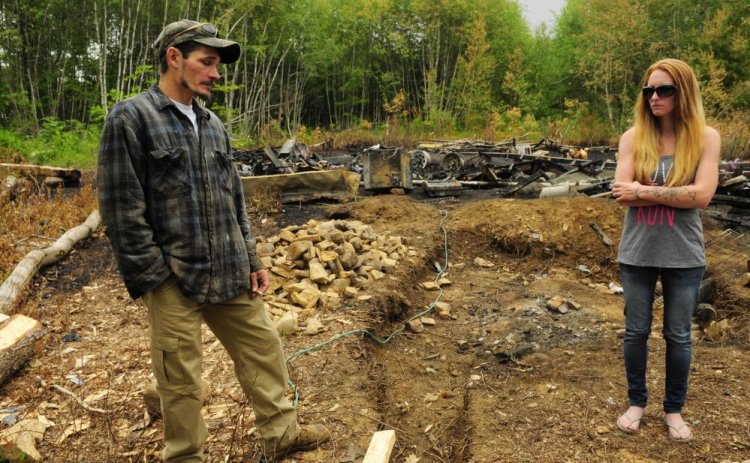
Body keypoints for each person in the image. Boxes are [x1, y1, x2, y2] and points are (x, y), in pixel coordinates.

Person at [97, 19, 331, 462]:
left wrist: (251, 258)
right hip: (174, 277)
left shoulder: (213, 125)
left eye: (217, 64)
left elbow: (233, 199)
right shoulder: (132, 118)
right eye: (207, 62)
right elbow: (120, 209)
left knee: (264, 348)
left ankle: (280, 434)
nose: (216, 73)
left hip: (228, 269)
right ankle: (186, 456)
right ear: (174, 58)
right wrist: (156, 280)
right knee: (180, 378)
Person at [611, 58, 721, 442]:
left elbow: (703, 195)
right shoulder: (632, 137)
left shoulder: (706, 137)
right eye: (649, 90)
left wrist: (643, 190)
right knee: (635, 332)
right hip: (637, 251)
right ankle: (636, 403)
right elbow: (620, 193)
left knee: (678, 336)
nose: (654, 97)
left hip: (684, 254)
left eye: (664, 90)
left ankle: (673, 410)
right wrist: (676, 194)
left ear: (683, 92)